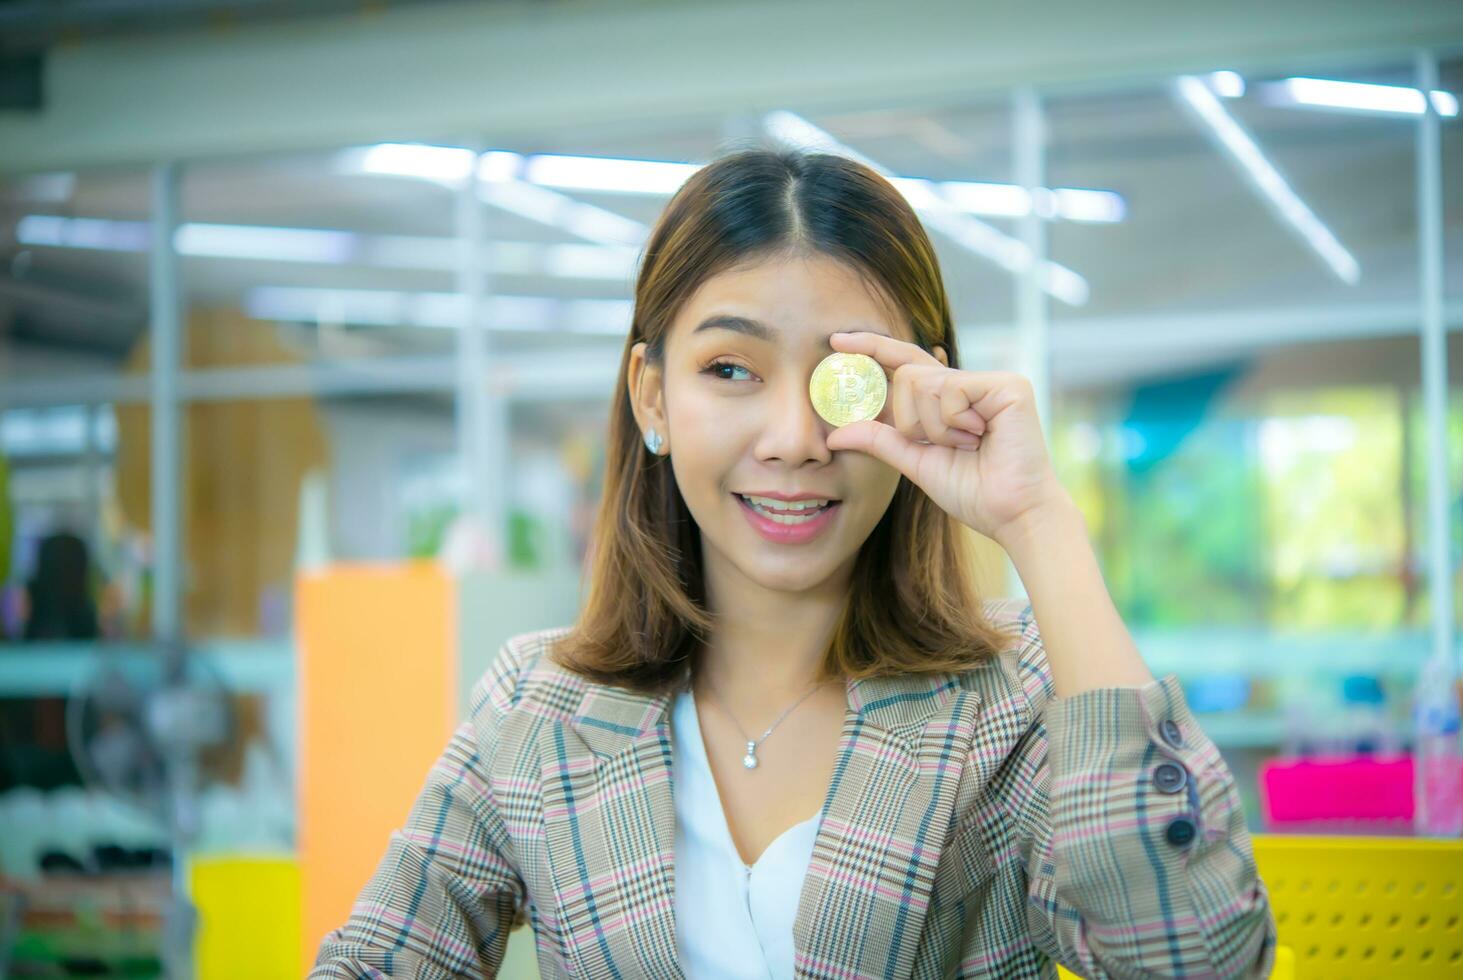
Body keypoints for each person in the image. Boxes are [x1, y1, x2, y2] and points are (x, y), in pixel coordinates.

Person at [311, 149, 1277, 978]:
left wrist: (1039, 522)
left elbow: (1191, 955)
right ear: (651, 396)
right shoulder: (538, 707)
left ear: (918, 390)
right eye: (730, 369)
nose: (795, 438)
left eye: (841, 381)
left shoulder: (1010, 702)